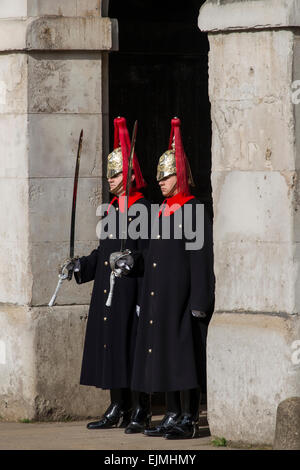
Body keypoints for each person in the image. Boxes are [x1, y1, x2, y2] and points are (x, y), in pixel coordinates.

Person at [123, 117, 215, 439]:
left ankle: (189, 417)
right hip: (159, 297)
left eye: (167, 175)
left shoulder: (193, 210)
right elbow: (151, 256)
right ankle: (172, 412)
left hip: (184, 299)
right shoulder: (161, 211)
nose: (161, 181)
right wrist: (133, 261)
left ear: (180, 175)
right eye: (160, 177)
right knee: (165, 358)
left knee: (184, 360)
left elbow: (201, 260)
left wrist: (200, 300)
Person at [66, 116, 151, 431]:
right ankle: (119, 404)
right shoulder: (113, 208)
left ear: (129, 174)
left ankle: (140, 407)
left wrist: (133, 258)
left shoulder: (144, 207)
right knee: (112, 346)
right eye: (109, 174)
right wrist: (80, 266)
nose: (110, 179)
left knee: (131, 347)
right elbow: (103, 251)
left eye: (115, 173)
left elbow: (150, 254)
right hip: (108, 288)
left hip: (131, 288)